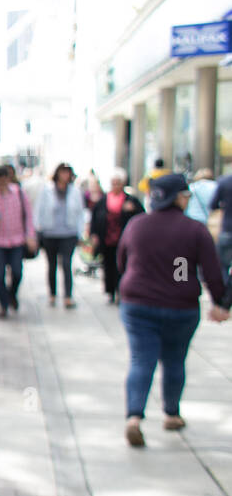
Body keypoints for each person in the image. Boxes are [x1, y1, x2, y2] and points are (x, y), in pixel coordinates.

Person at [116, 173, 230, 447]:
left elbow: (121, 260)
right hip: (181, 307)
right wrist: (220, 303)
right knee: (175, 361)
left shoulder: (136, 225)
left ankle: (134, 417)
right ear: (178, 197)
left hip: (138, 304)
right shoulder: (194, 229)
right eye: (186, 195)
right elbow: (212, 272)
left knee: (141, 360)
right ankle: (170, 413)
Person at [0, 164, 38, 319]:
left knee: (17, 272)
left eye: (3, 181)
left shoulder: (19, 193)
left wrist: (30, 236)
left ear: (8, 179)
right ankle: (3, 306)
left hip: (17, 241)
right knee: (0, 274)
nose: (1, 185)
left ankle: (12, 295)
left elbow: (28, 216)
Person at [35, 163, 86, 308]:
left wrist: (80, 233)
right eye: (62, 172)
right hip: (50, 232)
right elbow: (39, 209)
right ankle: (52, 294)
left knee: (66, 264)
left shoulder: (75, 191)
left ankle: (68, 296)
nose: (64, 176)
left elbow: (80, 213)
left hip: (68, 233)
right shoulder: (47, 190)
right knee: (51, 265)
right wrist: (37, 229)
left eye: (67, 173)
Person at [89, 168, 143, 304]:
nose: (115, 186)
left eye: (118, 183)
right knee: (108, 266)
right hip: (107, 239)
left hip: (123, 239)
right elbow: (95, 218)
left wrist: (133, 210)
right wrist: (93, 235)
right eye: (113, 183)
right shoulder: (103, 201)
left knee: (123, 266)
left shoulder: (130, 200)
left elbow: (141, 216)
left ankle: (121, 291)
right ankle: (110, 291)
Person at [209, 168, 232, 281]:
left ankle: (226, 295)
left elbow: (213, 204)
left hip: (227, 228)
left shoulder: (224, 182)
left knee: (224, 266)